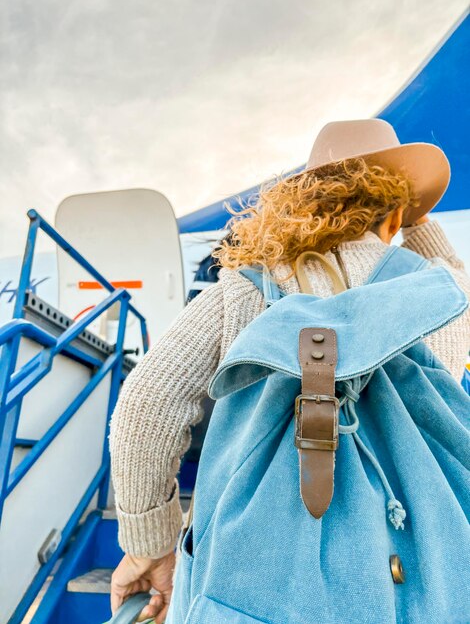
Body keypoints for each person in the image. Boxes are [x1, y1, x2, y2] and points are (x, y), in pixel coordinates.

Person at [108, 119, 470, 623]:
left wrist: (150, 547)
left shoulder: (244, 292)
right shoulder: (443, 299)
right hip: (415, 587)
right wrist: (413, 215)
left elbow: (146, 407)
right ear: (395, 216)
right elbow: (454, 275)